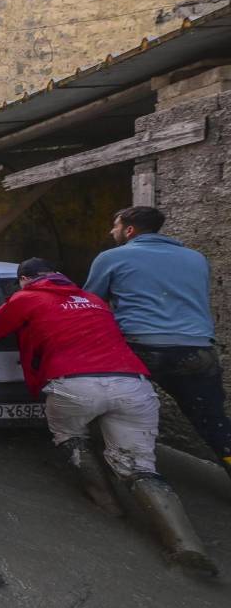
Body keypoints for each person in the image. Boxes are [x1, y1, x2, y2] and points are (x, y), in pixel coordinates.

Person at [0, 258, 216, 574]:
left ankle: (107, 505)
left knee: (71, 437)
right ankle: (185, 544)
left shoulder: (26, 297)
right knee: (139, 466)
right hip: (132, 384)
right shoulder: (92, 299)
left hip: (74, 383)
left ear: (24, 279)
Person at [84, 206, 231, 483]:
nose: (112, 231)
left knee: (108, 405)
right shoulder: (196, 258)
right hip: (197, 350)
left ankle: (115, 472)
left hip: (140, 347)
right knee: (214, 422)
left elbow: (90, 303)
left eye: (116, 226)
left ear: (129, 230)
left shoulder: (112, 257)